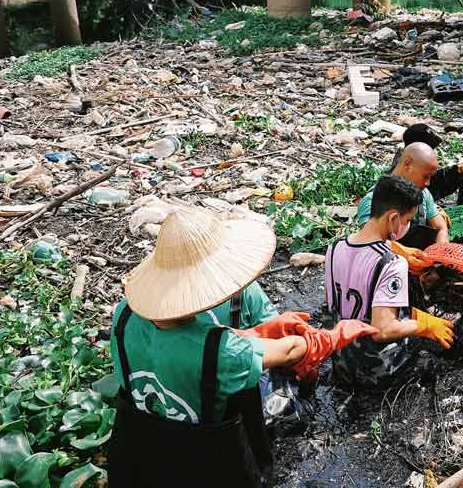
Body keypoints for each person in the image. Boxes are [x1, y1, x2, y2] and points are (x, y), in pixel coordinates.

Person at [106, 208, 375, 487]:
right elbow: (291, 350)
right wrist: (333, 335)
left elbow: (181, 345)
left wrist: (261, 330)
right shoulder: (221, 352)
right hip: (202, 461)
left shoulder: (124, 315)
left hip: (138, 454)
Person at [327, 174, 456, 390]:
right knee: (429, 356)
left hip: (340, 358)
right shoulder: (392, 262)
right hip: (373, 368)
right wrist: (424, 325)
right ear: (393, 218)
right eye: (406, 221)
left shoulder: (334, 248)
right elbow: (382, 330)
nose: (406, 226)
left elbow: (337, 307)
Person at [358, 142, 450, 248]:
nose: (428, 183)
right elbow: (369, 242)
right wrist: (405, 253)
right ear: (407, 164)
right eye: (425, 176)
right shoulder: (373, 200)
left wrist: (440, 248)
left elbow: (441, 227)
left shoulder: (424, 193)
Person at [390, 123, 463, 202]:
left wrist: (456, 171)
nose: (427, 182)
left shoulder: (416, 168)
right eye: (429, 149)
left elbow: (433, 183)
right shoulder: (398, 182)